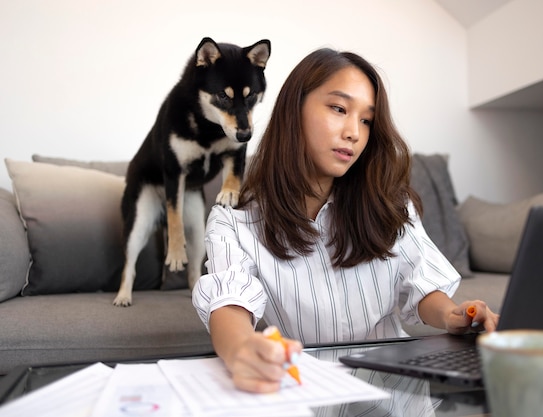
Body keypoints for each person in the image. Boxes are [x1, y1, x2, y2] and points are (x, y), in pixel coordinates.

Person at [192, 47, 499, 394]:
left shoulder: (389, 202)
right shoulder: (233, 221)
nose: (354, 132)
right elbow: (229, 304)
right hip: (307, 394)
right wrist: (241, 350)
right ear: (294, 111)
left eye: (366, 120)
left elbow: (423, 284)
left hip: (395, 395)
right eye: (339, 109)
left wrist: (454, 315)